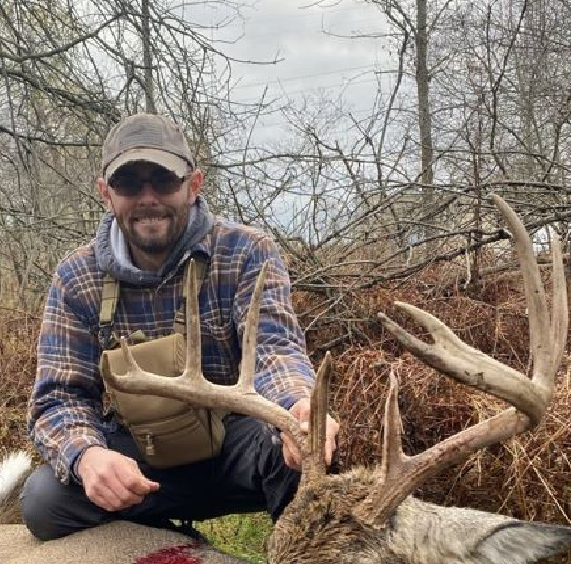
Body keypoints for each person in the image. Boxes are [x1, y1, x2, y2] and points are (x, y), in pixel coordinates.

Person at [21, 113, 339, 541]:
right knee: (44, 502)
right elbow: (59, 396)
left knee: (309, 459)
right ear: (105, 194)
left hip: (236, 447)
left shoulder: (246, 251)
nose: (148, 198)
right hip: (144, 466)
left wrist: (298, 409)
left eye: (164, 181)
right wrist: (88, 455)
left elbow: (273, 350)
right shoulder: (77, 276)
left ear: (194, 185)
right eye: (129, 184)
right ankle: (168, 551)